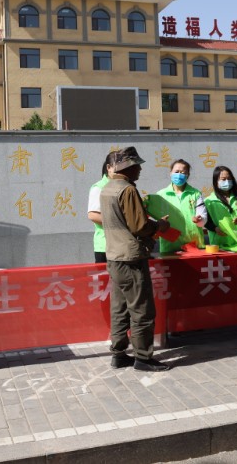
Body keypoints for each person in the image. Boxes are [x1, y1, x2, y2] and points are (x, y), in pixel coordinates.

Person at [100, 146, 171, 372]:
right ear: (128, 168)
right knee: (142, 310)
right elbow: (139, 226)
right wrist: (159, 225)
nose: (140, 169)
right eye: (137, 165)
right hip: (131, 257)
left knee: (119, 308)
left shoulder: (108, 188)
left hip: (114, 256)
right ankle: (143, 357)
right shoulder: (128, 190)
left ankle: (119, 354)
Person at [145, 159, 207, 253]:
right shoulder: (161, 195)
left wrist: (199, 219)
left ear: (188, 175)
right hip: (170, 244)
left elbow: (202, 217)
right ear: (170, 173)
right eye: (176, 172)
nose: (179, 175)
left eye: (183, 172)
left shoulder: (195, 193)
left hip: (194, 243)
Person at [204, 165, 237, 251]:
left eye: (229, 179)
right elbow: (206, 222)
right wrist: (216, 229)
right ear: (216, 181)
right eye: (223, 179)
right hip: (220, 241)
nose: (227, 181)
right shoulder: (209, 201)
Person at [87, 151, 118, 263]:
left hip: (122, 246)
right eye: (118, 166)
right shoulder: (99, 187)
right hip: (105, 246)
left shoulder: (123, 186)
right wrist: (120, 223)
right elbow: (93, 215)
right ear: (109, 167)